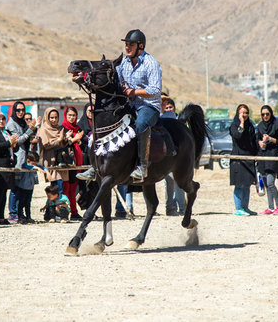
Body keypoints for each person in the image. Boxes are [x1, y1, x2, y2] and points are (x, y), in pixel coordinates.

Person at [77, 29, 162, 182]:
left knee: (141, 124)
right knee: (106, 122)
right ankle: (95, 167)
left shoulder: (151, 63)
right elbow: (113, 77)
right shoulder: (124, 62)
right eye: (126, 44)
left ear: (140, 46)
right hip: (128, 104)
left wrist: (134, 92)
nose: (127, 47)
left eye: (131, 45)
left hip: (148, 106)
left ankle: (142, 167)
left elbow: (155, 90)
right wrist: (87, 77)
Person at [5, 100, 40, 222]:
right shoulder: (11, 123)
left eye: (22, 110)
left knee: (22, 188)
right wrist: (30, 130)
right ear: (14, 111)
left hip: (25, 158)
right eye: (18, 110)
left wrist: (34, 129)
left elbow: (28, 138)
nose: (20, 112)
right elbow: (18, 140)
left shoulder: (22, 122)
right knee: (15, 188)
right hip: (17, 159)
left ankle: (20, 213)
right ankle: (13, 213)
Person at [229, 104, 258, 216]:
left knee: (247, 184)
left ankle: (245, 207)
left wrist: (257, 152)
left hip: (248, 158)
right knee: (239, 184)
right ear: (238, 113)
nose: (244, 115)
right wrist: (241, 123)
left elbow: (253, 141)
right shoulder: (234, 125)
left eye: (246, 113)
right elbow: (238, 136)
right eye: (242, 113)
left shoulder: (250, 125)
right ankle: (238, 208)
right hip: (238, 159)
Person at [256, 105, 278, 215]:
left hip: (272, 156)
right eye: (263, 114)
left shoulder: (276, 125)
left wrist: (270, 139)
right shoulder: (260, 126)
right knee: (266, 184)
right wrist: (260, 143)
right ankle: (270, 207)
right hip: (263, 156)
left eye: (267, 114)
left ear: (271, 114)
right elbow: (257, 138)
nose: (265, 116)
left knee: (271, 182)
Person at [59, 107, 85, 220]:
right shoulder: (62, 128)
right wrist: (75, 139)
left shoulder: (78, 128)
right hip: (66, 162)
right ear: (65, 115)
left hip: (76, 162)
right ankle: (64, 212)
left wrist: (80, 139)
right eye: (69, 115)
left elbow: (82, 144)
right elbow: (62, 145)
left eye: (73, 115)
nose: (71, 117)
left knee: (73, 188)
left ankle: (74, 212)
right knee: (66, 188)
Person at [160, 98, 185, 215]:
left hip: (178, 154)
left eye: (170, 107)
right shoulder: (160, 119)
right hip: (166, 155)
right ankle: (170, 207)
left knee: (180, 183)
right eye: (166, 107)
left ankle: (182, 208)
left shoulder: (179, 119)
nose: (169, 109)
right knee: (169, 183)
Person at [37, 107, 68, 191]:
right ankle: (54, 204)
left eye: (56, 117)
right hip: (51, 161)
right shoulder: (43, 129)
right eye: (51, 118)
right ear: (47, 117)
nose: (54, 120)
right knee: (57, 187)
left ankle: (55, 204)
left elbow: (63, 145)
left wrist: (65, 139)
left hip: (61, 161)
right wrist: (59, 139)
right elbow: (46, 145)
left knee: (60, 188)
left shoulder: (60, 128)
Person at [16, 151, 50, 224]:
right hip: (23, 187)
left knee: (28, 203)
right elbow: (27, 165)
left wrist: (47, 172)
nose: (35, 165)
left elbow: (42, 167)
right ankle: (20, 216)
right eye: (34, 163)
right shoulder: (25, 165)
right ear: (28, 160)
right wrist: (36, 168)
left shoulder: (35, 165)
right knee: (21, 203)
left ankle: (28, 217)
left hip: (30, 187)